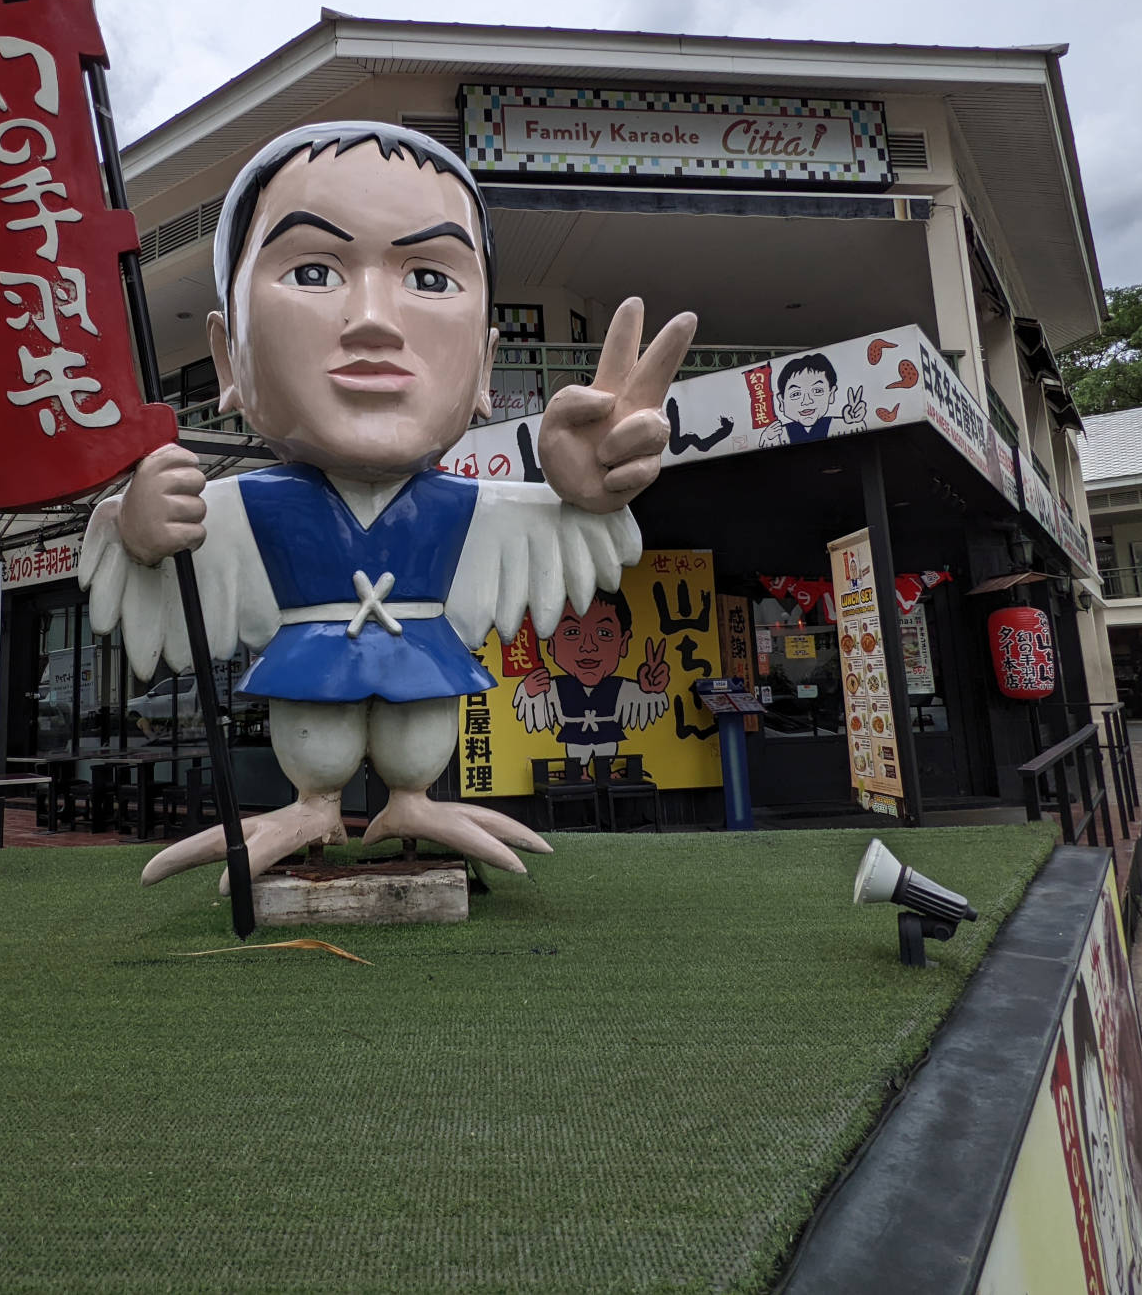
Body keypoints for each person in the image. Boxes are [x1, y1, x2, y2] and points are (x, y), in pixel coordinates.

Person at [78, 122, 694, 886]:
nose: (372, 319)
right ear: (226, 355)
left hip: (421, 652)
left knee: (418, 726)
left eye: (429, 279)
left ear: (485, 368)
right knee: (318, 731)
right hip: (310, 657)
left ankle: (414, 798)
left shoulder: (474, 510)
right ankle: (313, 802)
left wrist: (583, 503)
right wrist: (138, 534)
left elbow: (578, 550)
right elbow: (141, 583)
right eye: (312, 271)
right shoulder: (238, 510)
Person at [512, 589, 669, 765]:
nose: (588, 646)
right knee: (577, 755)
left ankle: (607, 769)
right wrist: (529, 691)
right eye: (572, 632)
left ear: (623, 643)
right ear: (551, 642)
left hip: (609, 736)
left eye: (604, 633)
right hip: (574, 739)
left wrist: (651, 691)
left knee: (607, 754)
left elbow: (640, 705)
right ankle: (581, 771)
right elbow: (535, 709)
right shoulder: (555, 688)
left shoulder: (620, 688)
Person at [758, 352, 866, 446]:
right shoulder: (780, 433)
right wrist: (768, 438)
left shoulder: (837, 425)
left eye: (817, 391)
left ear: (831, 394)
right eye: (796, 394)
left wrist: (853, 423)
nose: (807, 401)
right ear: (782, 401)